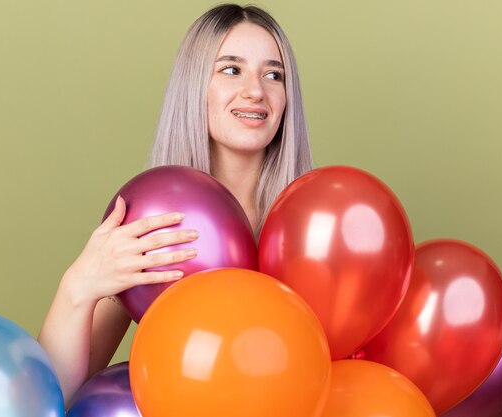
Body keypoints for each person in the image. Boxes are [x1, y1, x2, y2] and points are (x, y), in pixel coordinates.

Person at [38, 3, 313, 403]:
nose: (256, 90)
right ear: (194, 84)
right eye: (231, 69)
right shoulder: (152, 221)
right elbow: (52, 394)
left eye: (274, 75)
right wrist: (78, 286)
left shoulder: (314, 227)